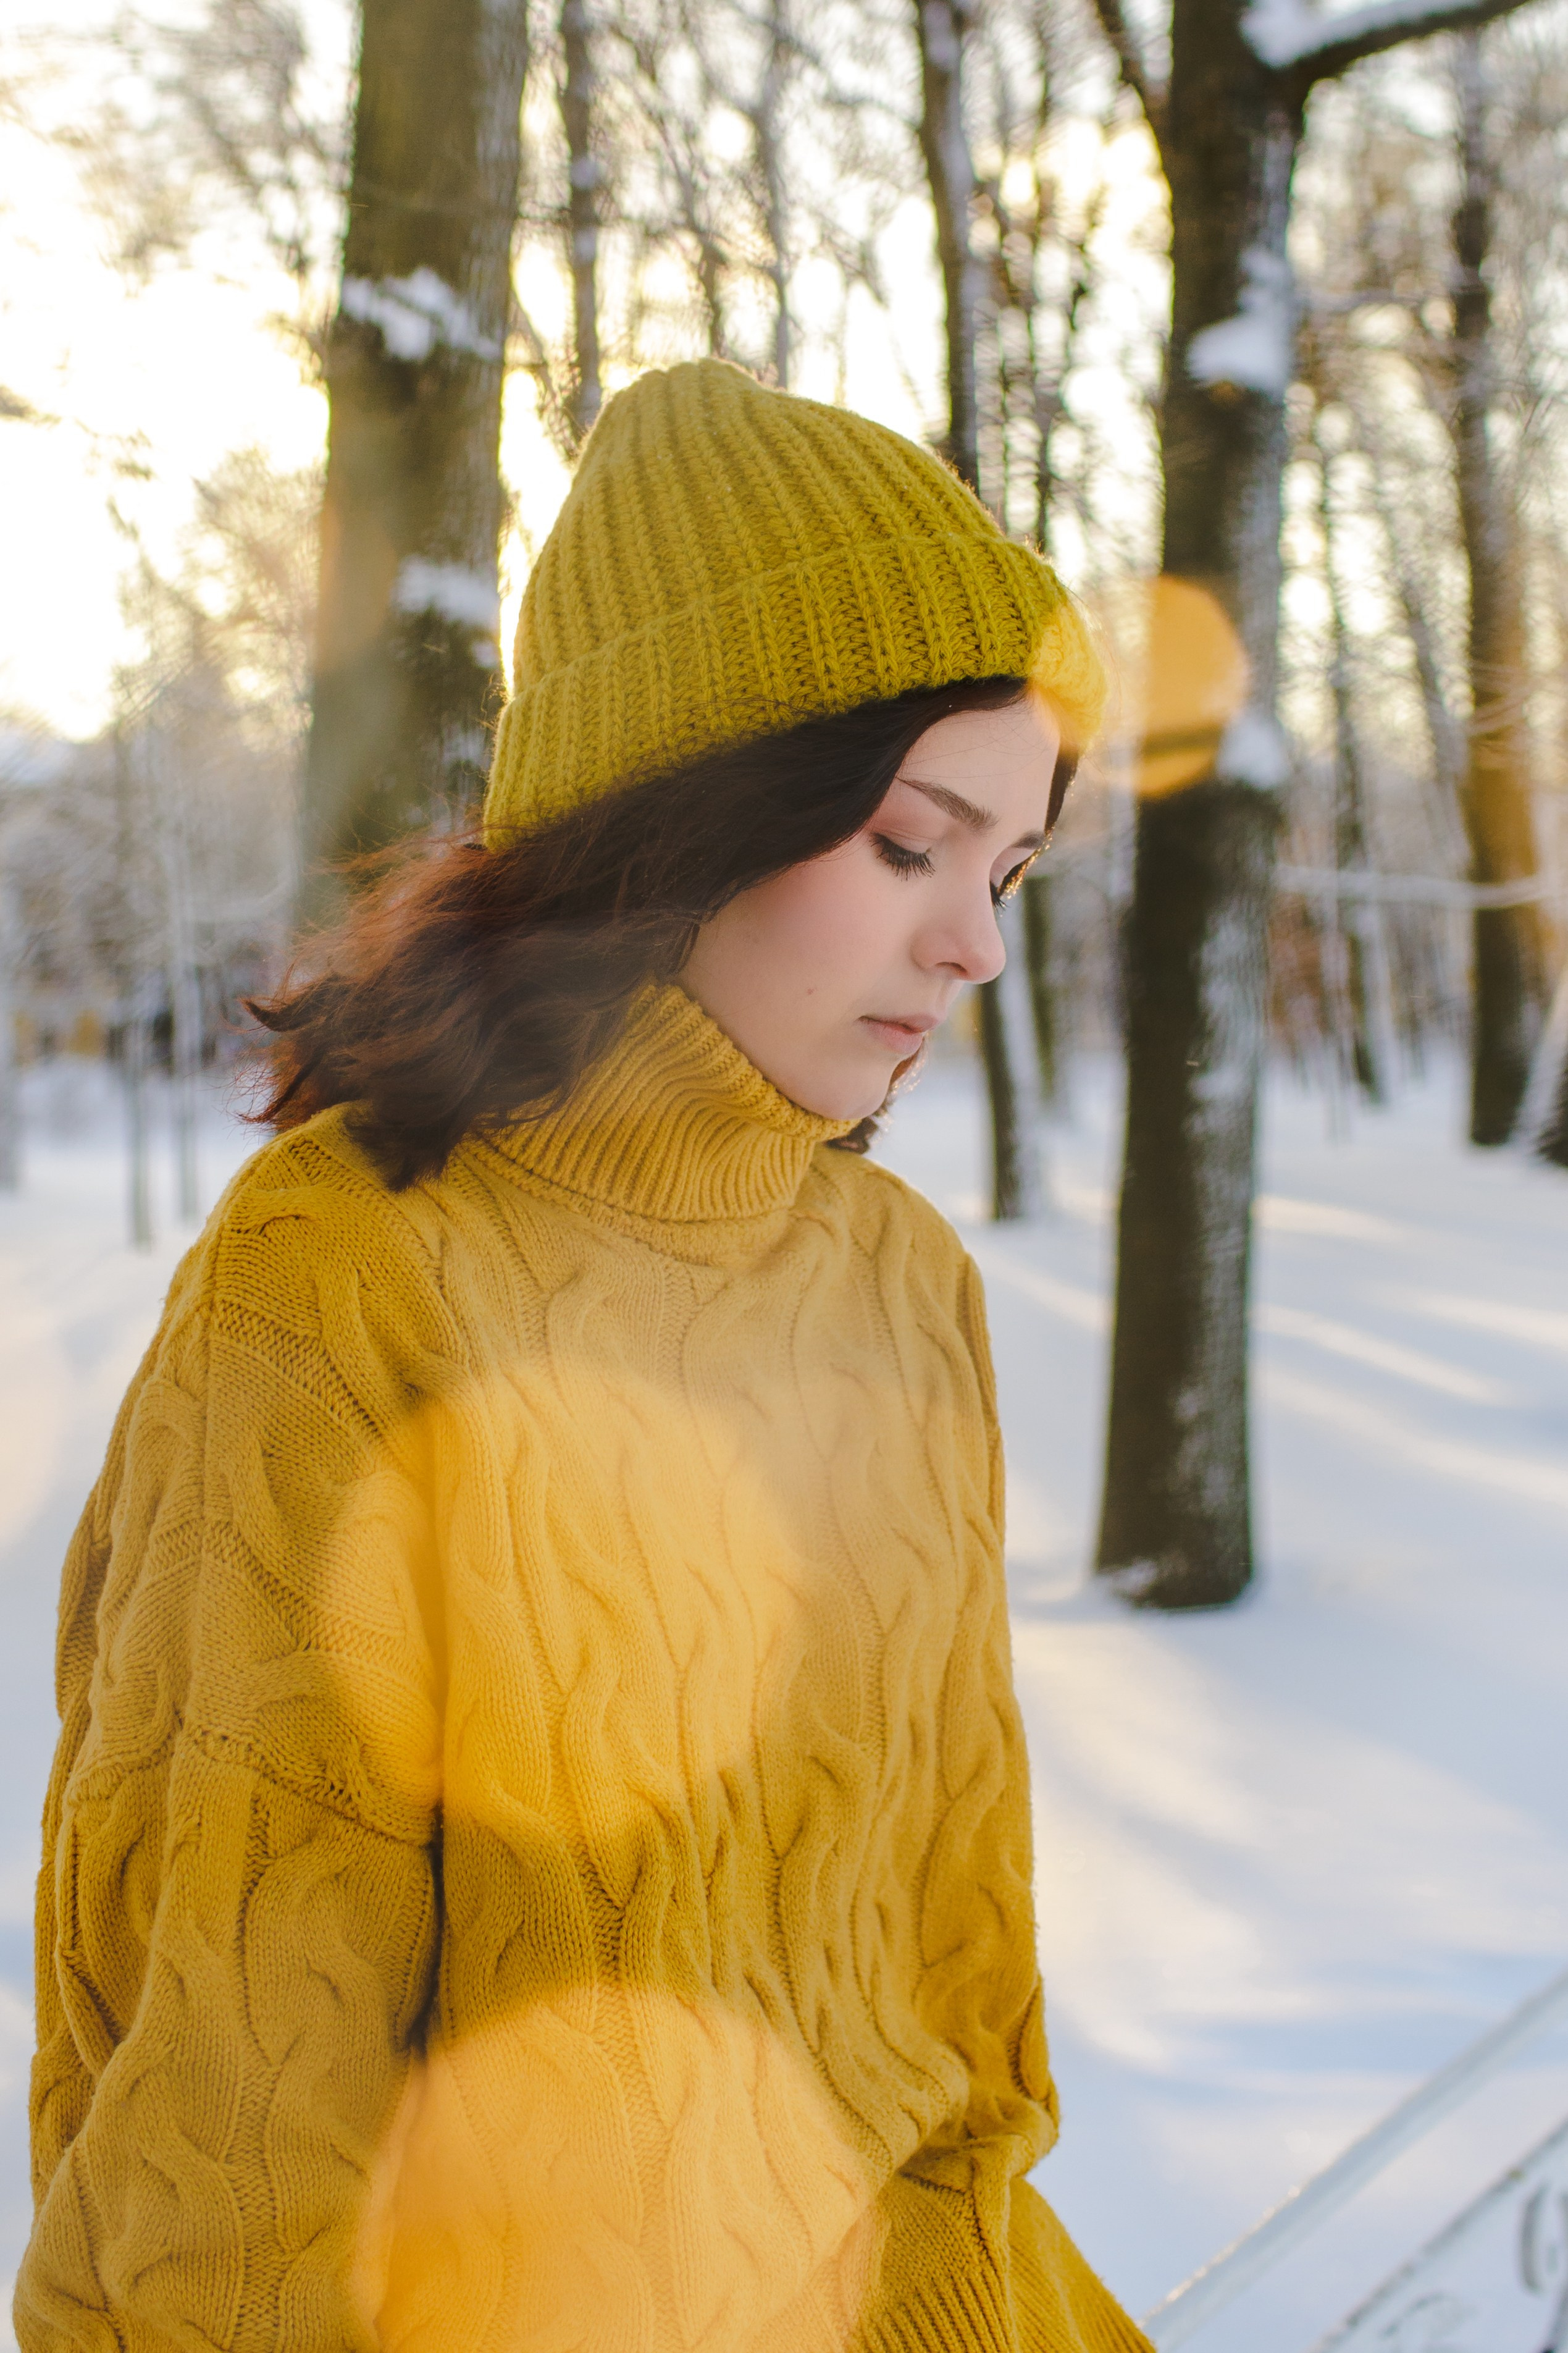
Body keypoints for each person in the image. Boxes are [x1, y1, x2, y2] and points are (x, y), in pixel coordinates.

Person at [19, 360, 1149, 2353]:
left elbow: (957, 2002)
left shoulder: (898, 1281)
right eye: (909, 844)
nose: (975, 943)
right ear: (689, 812)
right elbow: (229, 2097)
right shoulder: (340, 1278)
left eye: (1008, 866)